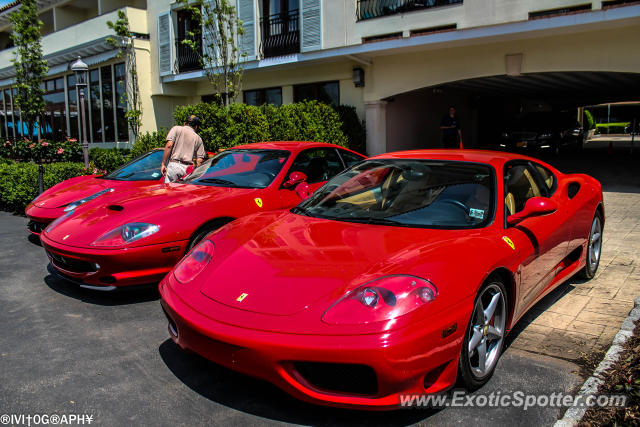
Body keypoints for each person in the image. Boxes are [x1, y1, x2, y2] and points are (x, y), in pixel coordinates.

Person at [161, 115, 205, 183]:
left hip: (174, 165)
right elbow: (200, 160)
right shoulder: (198, 138)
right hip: (187, 169)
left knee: (169, 191)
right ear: (196, 127)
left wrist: (163, 163)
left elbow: (169, 145)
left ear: (184, 123)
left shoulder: (176, 129)